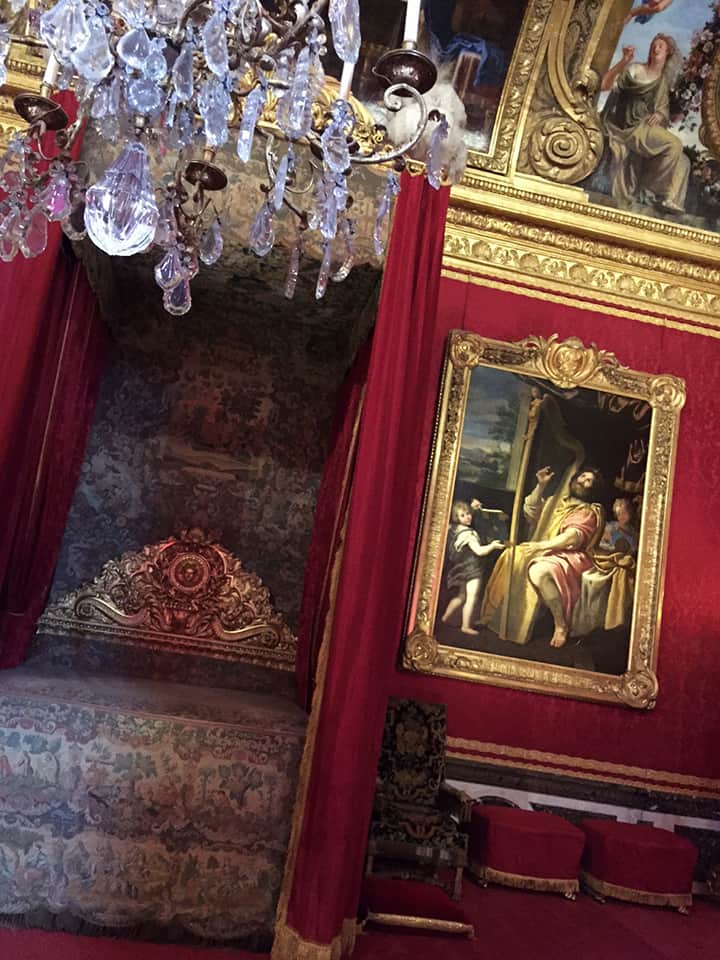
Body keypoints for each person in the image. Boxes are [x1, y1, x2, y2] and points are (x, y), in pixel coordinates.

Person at [481, 467, 605, 649]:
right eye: (582, 476)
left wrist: (541, 546)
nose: (582, 481)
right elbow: (530, 513)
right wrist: (541, 486)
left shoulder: (587, 511)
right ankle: (497, 616)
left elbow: (573, 537)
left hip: (570, 556)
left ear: (593, 489)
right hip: (546, 550)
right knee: (512, 556)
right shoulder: (555, 502)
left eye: (589, 481)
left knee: (539, 571)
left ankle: (561, 624)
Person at [600, 34, 689, 214]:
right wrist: (624, 60)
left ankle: (668, 199)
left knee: (684, 161)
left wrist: (660, 114)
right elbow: (605, 84)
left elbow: (662, 109)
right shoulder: (635, 69)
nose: (655, 49)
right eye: (653, 45)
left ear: (668, 54)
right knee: (675, 144)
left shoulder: (662, 82)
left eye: (660, 47)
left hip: (646, 128)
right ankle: (649, 190)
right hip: (629, 128)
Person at [441, 500, 504, 636]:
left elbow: (463, 516)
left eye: (468, 514)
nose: (468, 517)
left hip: (461, 569)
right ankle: (465, 626)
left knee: (461, 596)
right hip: (473, 571)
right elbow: (480, 551)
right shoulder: (469, 535)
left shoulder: (454, 528)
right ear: (456, 517)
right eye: (463, 515)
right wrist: (492, 546)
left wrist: (473, 508)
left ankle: (444, 618)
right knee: (471, 598)